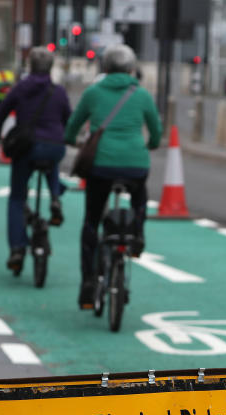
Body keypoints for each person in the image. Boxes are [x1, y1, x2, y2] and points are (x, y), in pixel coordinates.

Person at [64, 44, 162, 309]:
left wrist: (72, 140)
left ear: (104, 69)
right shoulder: (141, 95)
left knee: (92, 221)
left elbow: (73, 125)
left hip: (101, 165)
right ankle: (138, 233)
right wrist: (151, 144)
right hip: (135, 163)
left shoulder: (94, 92)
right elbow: (156, 130)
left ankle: (87, 282)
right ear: (132, 69)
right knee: (139, 194)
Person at [0, 46, 72, 274]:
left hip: (27, 148)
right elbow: (68, 118)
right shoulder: (58, 92)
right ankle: (55, 197)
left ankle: (17, 248)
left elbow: (2, 111)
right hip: (54, 146)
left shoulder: (21, 88)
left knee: (17, 198)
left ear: (29, 66)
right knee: (51, 158)